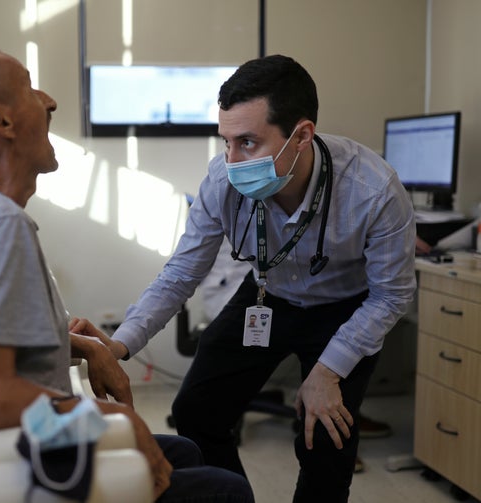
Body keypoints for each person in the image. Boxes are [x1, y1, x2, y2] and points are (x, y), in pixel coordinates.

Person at [0, 46, 253, 503]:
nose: (49, 101)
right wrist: (109, 422)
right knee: (226, 492)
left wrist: (82, 345)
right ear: (1, 121)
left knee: (180, 450)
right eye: (29, 89)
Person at [83, 55, 417, 501]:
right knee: (196, 410)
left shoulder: (373, 190)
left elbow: (392, 296)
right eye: (225, 142)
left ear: (301, 135)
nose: (232, 160)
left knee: (326, 438)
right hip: (268, 296)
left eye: (248, 143)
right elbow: (183, 271)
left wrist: (328, 371)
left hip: (346, 311)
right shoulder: (222, 180)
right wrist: (119, 344)